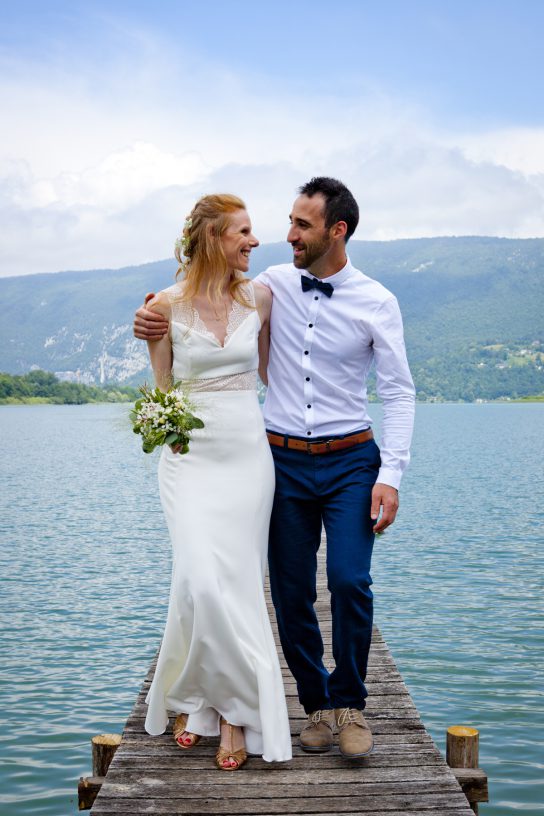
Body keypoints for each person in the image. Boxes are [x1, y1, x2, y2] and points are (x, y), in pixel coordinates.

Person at [135, 177, 415, 759]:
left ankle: (352, 704)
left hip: (350, 462)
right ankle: (314, 706)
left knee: (347, 580)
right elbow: (202, 293)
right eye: (286, 222)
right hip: (281, 457)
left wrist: (392, 473)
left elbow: (399, 391)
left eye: (301, 226)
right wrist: (148, 317)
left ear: (336, 231)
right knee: (288, 592)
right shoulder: (270, 286)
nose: (286, 235)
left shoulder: (377, 301)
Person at [141, 193, 292, 771]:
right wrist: (162, 426)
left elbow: (272, 371)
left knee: (239, 585)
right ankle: (195, 696)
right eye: (244, 232)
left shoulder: (262, 297)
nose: (255, 241)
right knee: (199, 581)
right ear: (212, 238)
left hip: (249, 459)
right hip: (189, 459)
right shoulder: (162, 307)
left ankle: (228, 713)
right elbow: (159, 389)